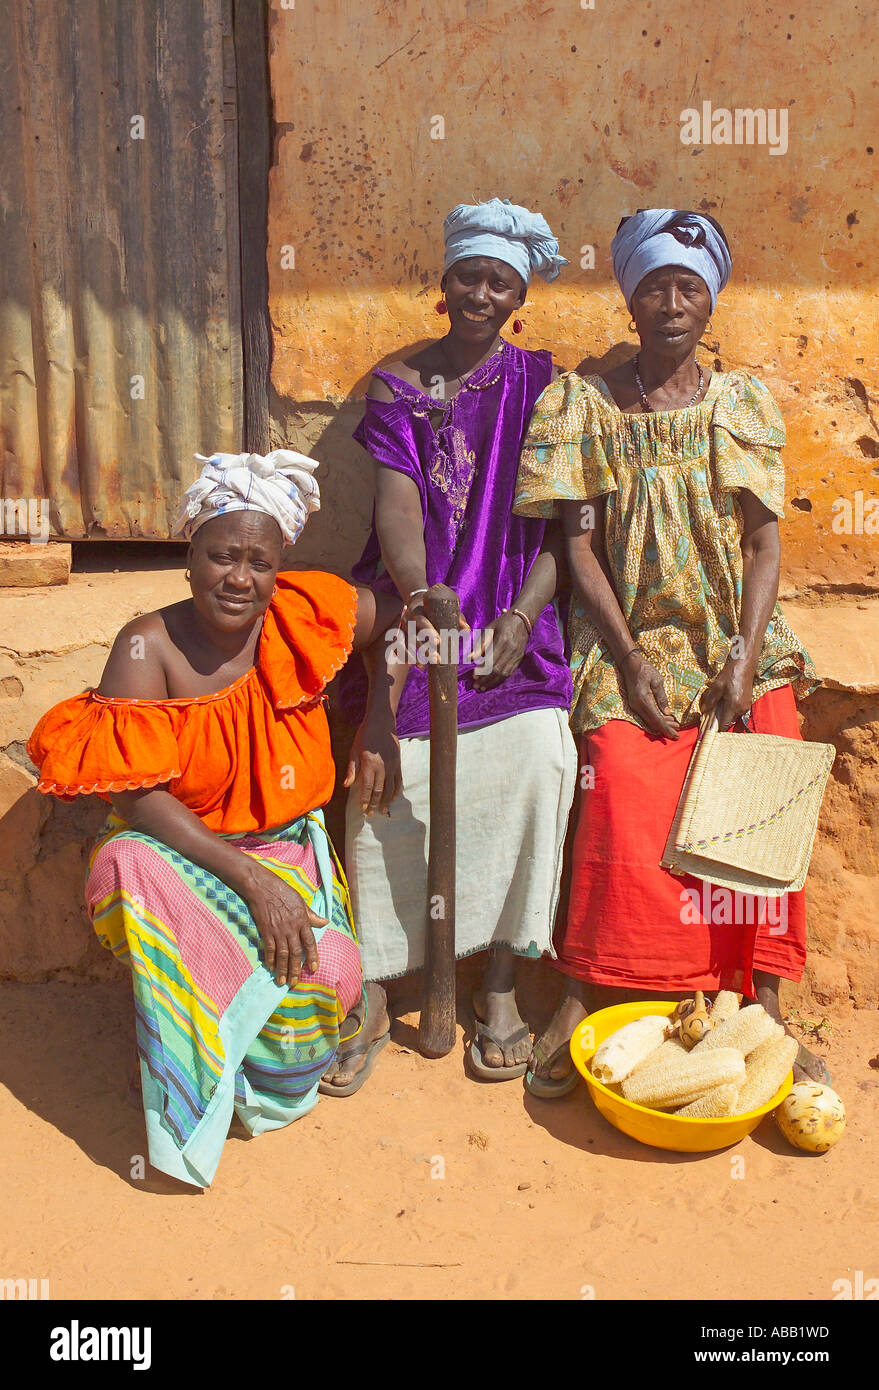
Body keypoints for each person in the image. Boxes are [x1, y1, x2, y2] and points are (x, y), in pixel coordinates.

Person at [513, 208, 827, 1096]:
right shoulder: (584, 406)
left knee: (765, 760)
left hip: (732, 634)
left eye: (689, 288)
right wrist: (629, 659)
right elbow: (577, 549)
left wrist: (742, 651)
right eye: (654, 286)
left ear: (711, 302)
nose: (672, 303)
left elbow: (764, 547)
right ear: (629, 296)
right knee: (617, 777)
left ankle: (758, 997)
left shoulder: (741, 404)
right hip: (631, 637)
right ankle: (585, 990)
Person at [27, 450, 402, 1186]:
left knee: (315, 1001)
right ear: (188, 555)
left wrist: (379, 720)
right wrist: (251, 885)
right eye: (220, 556)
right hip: (186, 863)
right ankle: (189, 1059)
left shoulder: (305, 613)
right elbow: (135, 796)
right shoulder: (148, 644)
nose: (239, 578)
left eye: (257, 561)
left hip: (288, 850)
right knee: (125, 862)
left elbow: (399, 623)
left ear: (278, 564)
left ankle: (329, 1014)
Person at [325, 198, 577, 1087]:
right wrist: (423, 599)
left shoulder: (545, 385)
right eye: (467, 275)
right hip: (416, 605)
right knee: (381, 769)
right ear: (443, 283)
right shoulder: (397, 382)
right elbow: (397, 507)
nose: (480, 292)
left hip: (514, 611)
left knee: (541, 756)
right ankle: (375, 984)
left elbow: (561, 527)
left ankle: (499, 979)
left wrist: (515, 619)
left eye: (498, 281)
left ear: (517, 295)